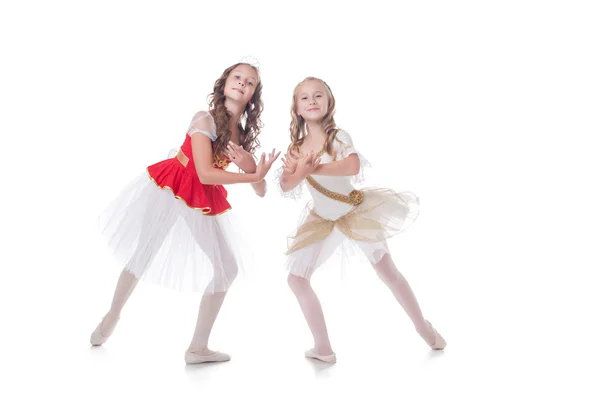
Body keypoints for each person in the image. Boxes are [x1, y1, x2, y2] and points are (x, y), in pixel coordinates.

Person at [90, 61, 280, 365]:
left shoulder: (241, 135)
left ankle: (197, 347)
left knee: (227, 268)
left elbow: (261, 190)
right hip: (173, 186)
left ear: (253, 95)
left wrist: (250, 168)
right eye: (237, 77)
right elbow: (204, 173)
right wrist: (252, 175)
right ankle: (113, 314)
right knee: (144, 253)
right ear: (225, 82)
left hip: (201, 198)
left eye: (250, 82)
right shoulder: (204, 119)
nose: (242, 83)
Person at [276, 77, 445, 363]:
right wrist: (297, 172)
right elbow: (285, 184)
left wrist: (311, 167)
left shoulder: (338, 137)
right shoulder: (295, 148)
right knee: (296, 278)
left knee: (387, 271)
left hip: (354, 212)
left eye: (318, 95)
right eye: (304, 98)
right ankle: (323, 348)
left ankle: (423, 327)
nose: (312, 101)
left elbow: (351, 165)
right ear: (297, 108)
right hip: (322, 219)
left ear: (329, 102)